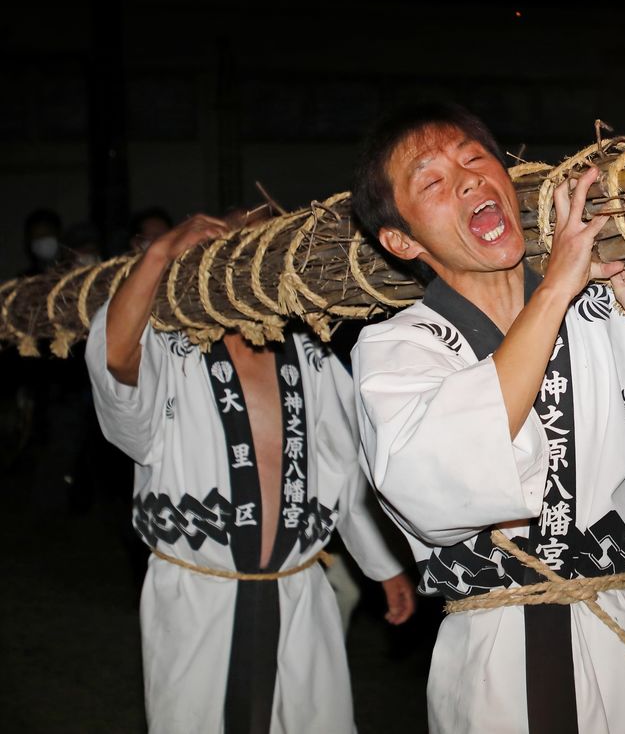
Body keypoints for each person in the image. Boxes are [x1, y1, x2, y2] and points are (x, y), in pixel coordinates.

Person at [350, 102, 625, 734]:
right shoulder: (400, 348)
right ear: (401, 240)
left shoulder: (608, 315)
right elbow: (436, 481)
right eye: (432, 181)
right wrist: (556, 286)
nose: (468, 180)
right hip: (502, 653)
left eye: (475, 158)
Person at [85, 212, 417, 734]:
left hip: (298, 586)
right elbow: (117, 358)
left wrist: (382, 566)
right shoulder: (174, 347)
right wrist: (157, 255)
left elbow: (343, 467)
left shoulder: (309, 352)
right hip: (198, 592)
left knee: (309, 719)